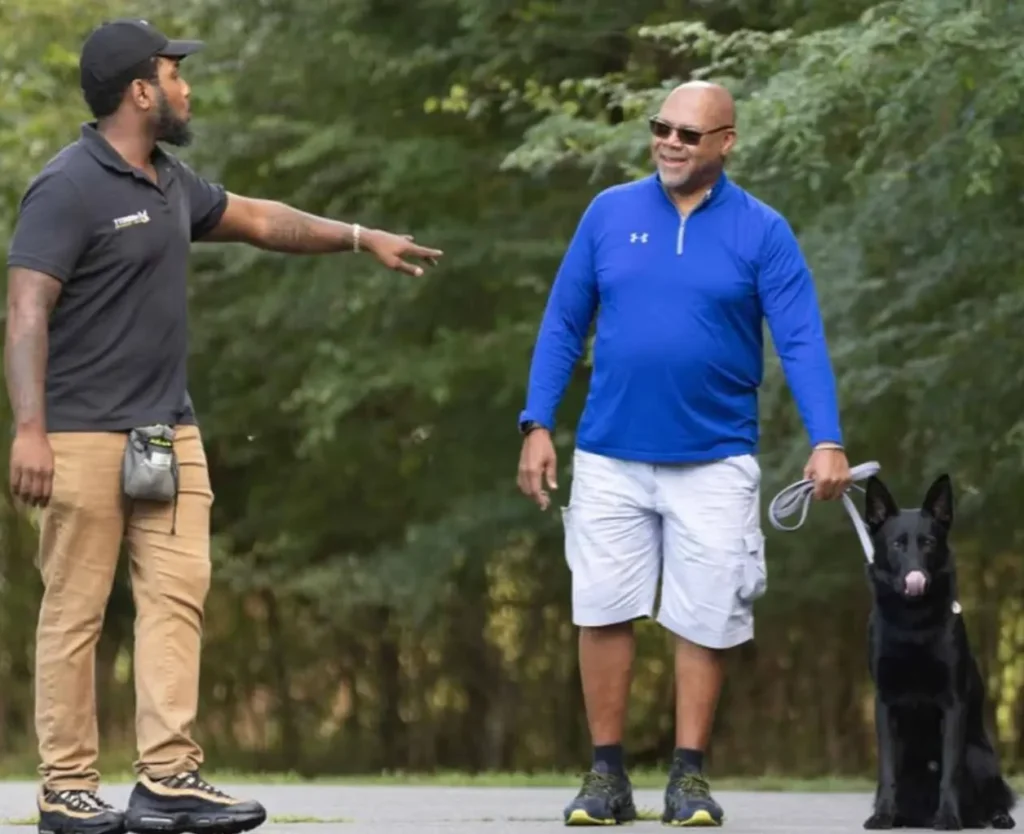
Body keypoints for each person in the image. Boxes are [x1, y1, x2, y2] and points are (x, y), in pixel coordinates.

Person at [4, 18, 443, 834]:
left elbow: (262, 219)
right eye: (175, 73)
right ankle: (66, 786)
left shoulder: (170, 181)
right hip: (82, 436)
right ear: (141, 90)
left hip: (168, 434)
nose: (186, 86)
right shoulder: (66, 187)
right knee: (76, 613)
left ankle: (168, 778)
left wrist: (358, 237)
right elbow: (26, 309)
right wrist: (29, 429)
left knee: (178, 600)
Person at [515, 80, 851, 827]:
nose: (669, 141)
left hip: (716, 457)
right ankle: (605, 776)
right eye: (660, 127)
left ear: (725, 143)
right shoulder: (609, 213)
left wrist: (826, 438)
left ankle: (688, 777)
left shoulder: (763, 231)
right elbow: (564, 322)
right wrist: (537, 421)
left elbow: (800, 340)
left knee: (707, 616)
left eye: (688, 133)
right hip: (610, 454)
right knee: (602, 608)